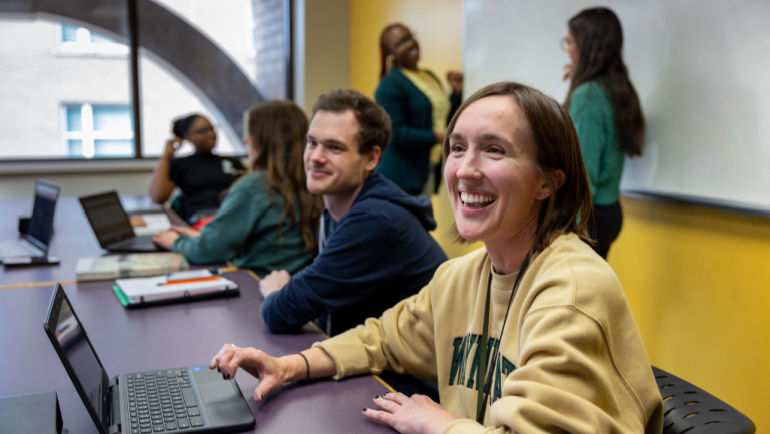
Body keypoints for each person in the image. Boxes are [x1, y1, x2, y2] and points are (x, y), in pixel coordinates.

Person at [210, 82, 663, 433]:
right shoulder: (462, 276)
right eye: (457, 147)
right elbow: (382, 338)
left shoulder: (571, 289)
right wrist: (290, 365)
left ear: (548, 182)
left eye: (495, 149)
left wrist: (441, 423)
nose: (465, 169)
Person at [258, 89, 448, 337]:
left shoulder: (375, 220)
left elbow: (282, 313)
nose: (315, 157)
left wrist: (276, 291)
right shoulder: (335, 211)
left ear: (371, 158)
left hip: (404, 375)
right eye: (312, 142)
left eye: (334, 148)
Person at [152, 101, 323, 278]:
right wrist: (203, 237)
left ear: (266, 139)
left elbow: (207, 251)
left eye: (251, 132)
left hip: (256, 283)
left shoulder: (255, 185)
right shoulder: (312, 182)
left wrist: (176, 242)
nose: (245, 139)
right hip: (295, 285)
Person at [562, 7, 645, 259]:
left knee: (575, 297)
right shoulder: (617, 88)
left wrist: (568, 229)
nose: (567, 48)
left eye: (570, 41)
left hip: (588, 218)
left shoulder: (587, 94)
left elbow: (583, 170)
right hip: (610, 212)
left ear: (586, 46)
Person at [374, 23, 463, 195]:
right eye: (400, 44)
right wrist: (437, 137)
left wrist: (457, 93)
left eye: (410, 37)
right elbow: (396, 133)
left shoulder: (428, 76)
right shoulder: (390, 84)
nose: (409, 44)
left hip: (429, 166)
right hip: (401, 174)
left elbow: (442, 117)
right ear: (390, 54)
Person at [148, 113, 245, 224]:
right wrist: (166, 155)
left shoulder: (232, 162)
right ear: (188, 137)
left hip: (233, 214)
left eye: (212, 129)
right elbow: (158, 197)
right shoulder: (181, 164)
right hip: (202, 217)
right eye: (203, 131)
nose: (211, 134)